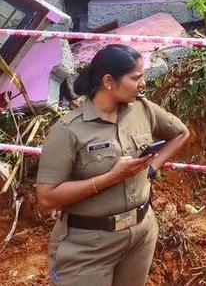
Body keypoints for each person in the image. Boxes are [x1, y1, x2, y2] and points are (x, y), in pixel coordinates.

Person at [36, 45, 190, 285]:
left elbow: (180, 133)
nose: (143, 83)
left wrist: (150, 169)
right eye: (136, 77)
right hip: (87, 248)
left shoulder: (143, 109)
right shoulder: (68, 131)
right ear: (109, 81)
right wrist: (111, 177)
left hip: (141, 236)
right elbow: (47, 197)